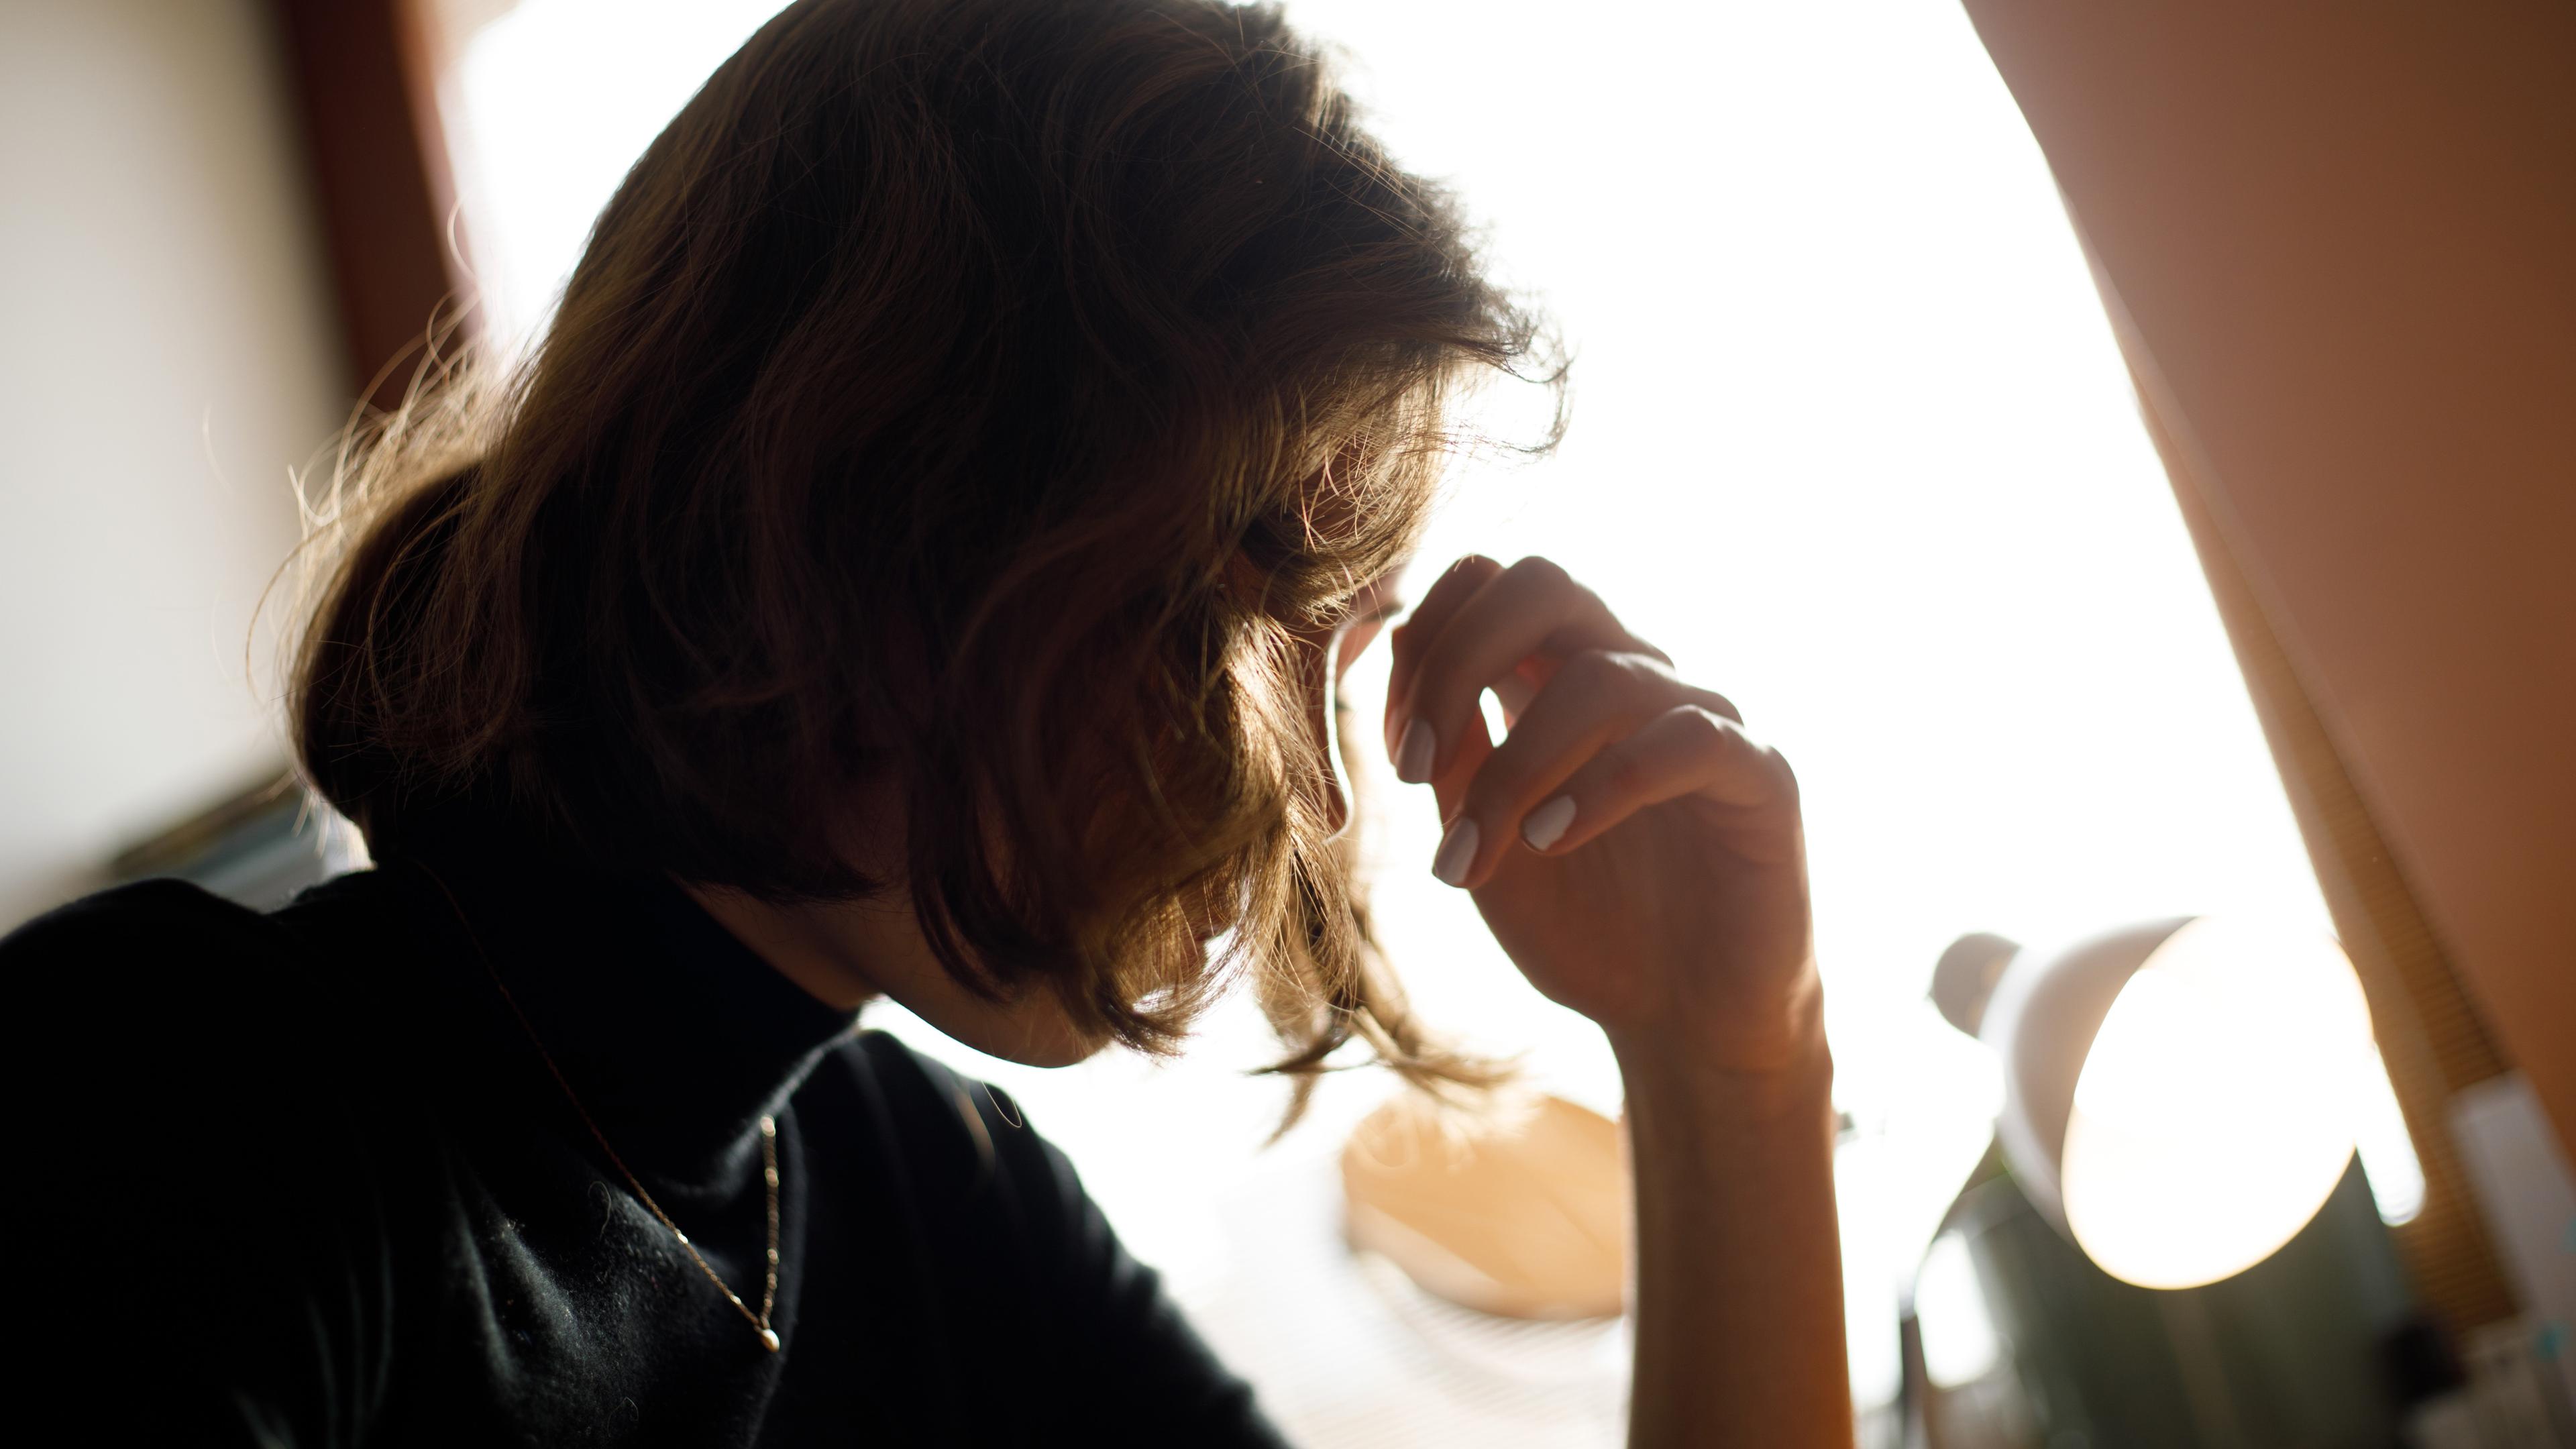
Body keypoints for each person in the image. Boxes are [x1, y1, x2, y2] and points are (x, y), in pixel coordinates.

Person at [7, 0, 1849, 1442]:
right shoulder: (168, 1104)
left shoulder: (930, 1210)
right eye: (1230, 593)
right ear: (867, 503)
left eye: (1333, 643)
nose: (1309, 781)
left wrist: (1735, 1069)